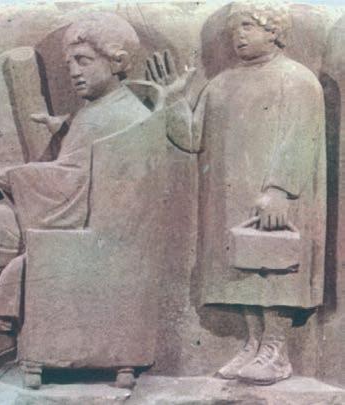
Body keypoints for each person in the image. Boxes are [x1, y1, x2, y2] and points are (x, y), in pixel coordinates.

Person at [0, 12, 152, 384]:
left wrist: (12, 177)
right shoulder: (106, 109)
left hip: (70, 223)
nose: (74, 71)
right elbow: (85, 162)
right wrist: (63, 128)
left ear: (118, 62)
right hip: (57, 210)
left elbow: (76, 183)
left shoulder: (116, 117)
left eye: (84, 61)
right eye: (70, 63)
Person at [147, 2, 325, 385]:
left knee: (274, 266)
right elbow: (192, 137)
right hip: (231, 197)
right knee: (242, 267)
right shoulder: (220, 84)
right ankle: (254, 342)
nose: (238, 36)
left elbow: (302, 137)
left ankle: (276, 349)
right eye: (234, 30)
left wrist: (280, 189)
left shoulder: (297, 80)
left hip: (276, 197)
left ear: (274, 30)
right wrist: (172, 98)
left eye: (247, 26)